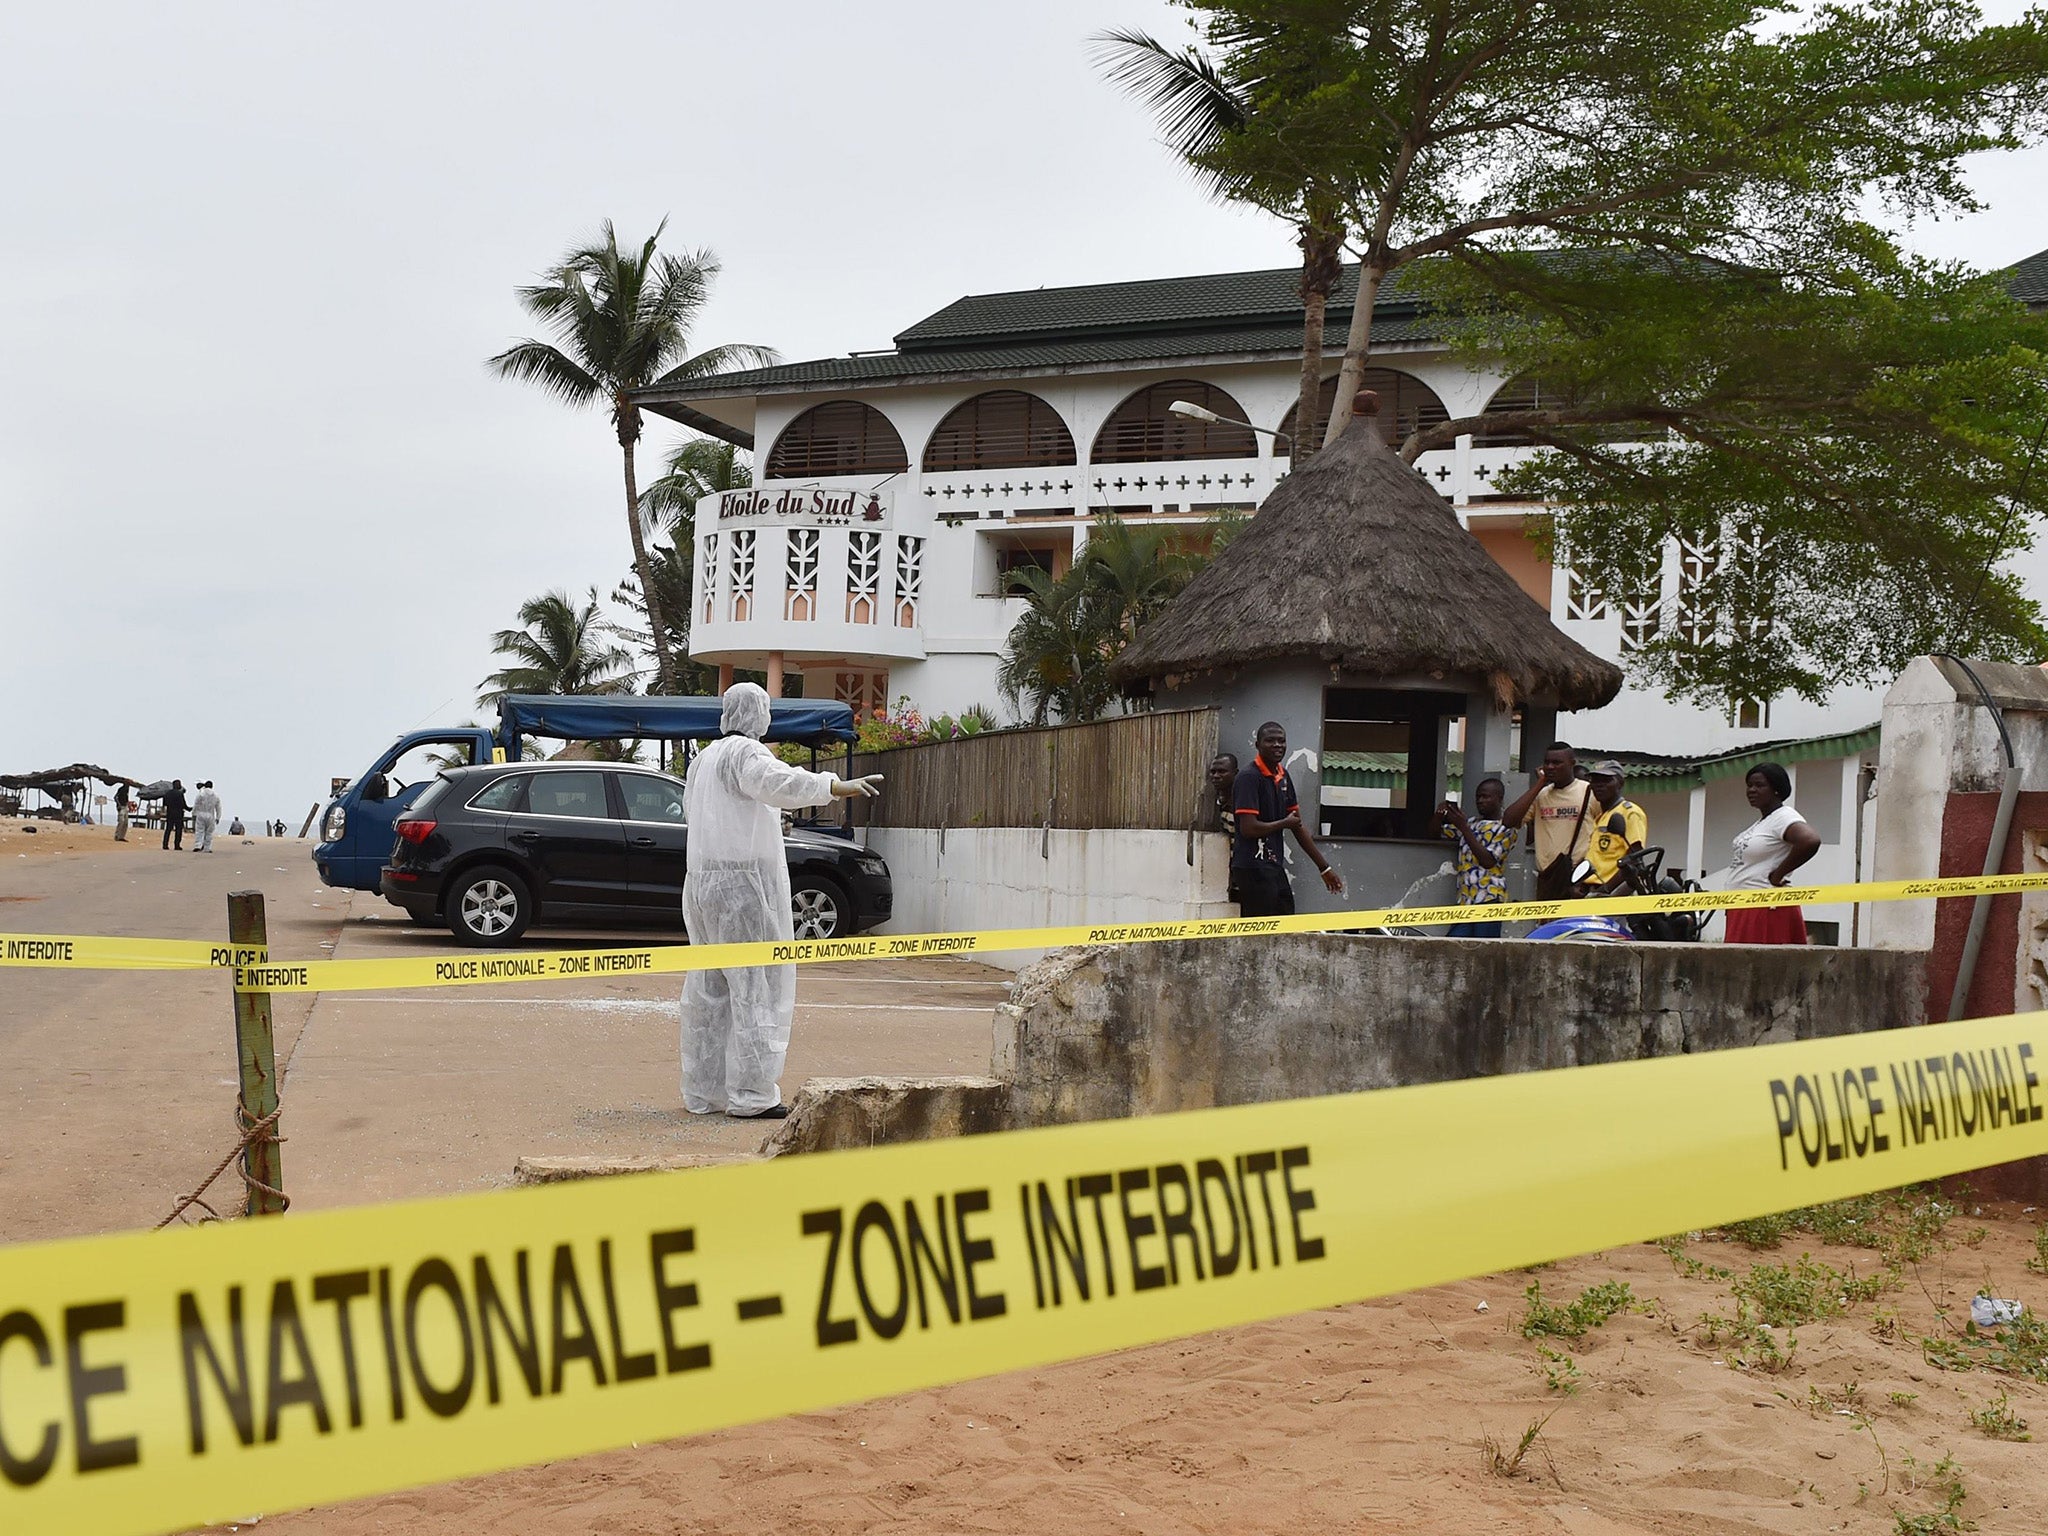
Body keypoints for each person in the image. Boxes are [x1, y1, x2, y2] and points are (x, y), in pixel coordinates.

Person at [681, 683, 883, 1119]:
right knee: (757, 987)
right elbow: (778, 782)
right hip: (743, 890)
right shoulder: (746, 754)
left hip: (704, 887)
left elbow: (721, 811)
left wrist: (770, 820)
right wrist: (835, 785)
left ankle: (702, 1092)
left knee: (710, 990)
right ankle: (752, 1096)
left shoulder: (703, 760)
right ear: (757, 714)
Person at [1231, 722, 1343, 917]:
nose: (1277, 745)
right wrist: (1285, 823)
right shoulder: (1249, 777)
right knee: (1262, 930)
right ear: (1257, 745)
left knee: (1286, 917)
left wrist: (1324, 868)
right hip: (1252, 867)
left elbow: (1297, 826)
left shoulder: (1283, 776)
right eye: (1270, 741)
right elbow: (1248, 829)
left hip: (1273, 865)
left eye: (1281, 741)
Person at [1724, 762, 1821, 944]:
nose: (1751, 790)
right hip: (1743, 905)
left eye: (1759, 785)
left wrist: (1777, 875)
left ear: (1776, 789)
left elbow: (1810, 840)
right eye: (1749, 785)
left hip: (1764, 906)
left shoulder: (1783, 816)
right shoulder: (1763, 821)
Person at [1503, 742, 1595, 898]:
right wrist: (1539, 784)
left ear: (1572, 764)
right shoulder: (1541, 795)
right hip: (1548, 877)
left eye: (1557, 763)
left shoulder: (1588, 792)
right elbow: (1509, 820)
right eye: (1547, 762)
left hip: (1580, 878)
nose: (1550, 767)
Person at [1436, 777, 1517, 936]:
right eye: (1478, 797)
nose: (1480, 801)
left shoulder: (1506, 829)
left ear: (1499, 799)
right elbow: (1433, 833)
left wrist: (1463, 827)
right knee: (1454, 946)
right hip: (1465, 900)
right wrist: (1440, 814)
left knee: (1484, 950)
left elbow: (1488, 861)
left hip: (1489, 898)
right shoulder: (1471, 823)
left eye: (1486, 796)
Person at [1579, 761, 1649, 888]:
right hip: (1593, 890)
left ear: (1620, 783)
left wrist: (1606, 890)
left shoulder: (1630, 813)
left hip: (1614, 893)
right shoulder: (1600, 816)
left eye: (1606, 780)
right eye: (1595, 781)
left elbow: (1634, 858)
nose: (1599, 785)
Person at [192, 781, 222, 853]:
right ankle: (207, 847)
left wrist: (194, 814)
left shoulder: (201, 794)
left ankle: (198, 846)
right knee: (209, 832)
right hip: (210, 815)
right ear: (212, 786)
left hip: (201, 814)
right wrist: (218, 817)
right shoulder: (216, 795)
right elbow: (218, 807)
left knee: (199, 831)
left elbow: (196, 804)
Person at [160, 780, 188, 851]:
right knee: (178, 830)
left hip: (170, 813)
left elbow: (164, 804)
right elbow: (183, 804)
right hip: (178, 814)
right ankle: (177, 845)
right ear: (178, 785)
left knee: (168, 829)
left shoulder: (167, 793)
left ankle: (165, 844)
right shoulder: (180, 794)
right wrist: (189, 809)